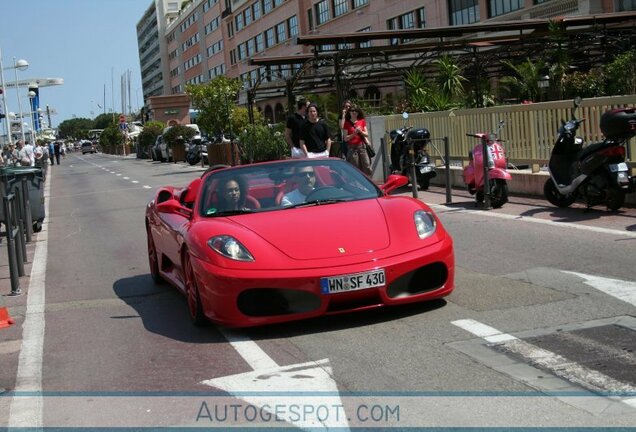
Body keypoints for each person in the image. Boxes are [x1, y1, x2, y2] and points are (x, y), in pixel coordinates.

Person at [343, 105, 372, 176]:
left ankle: (368, 183)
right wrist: (354, 133)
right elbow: (345, 138)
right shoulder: (346, 123)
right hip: (352, 148)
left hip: (361, 147)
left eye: (356, 111)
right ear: (349, 112)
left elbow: (366, 134)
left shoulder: (362, 121)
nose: (354, 112)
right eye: (352, 110)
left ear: (358, 113)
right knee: (355, 168)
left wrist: (360, 131)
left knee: (367, 166)